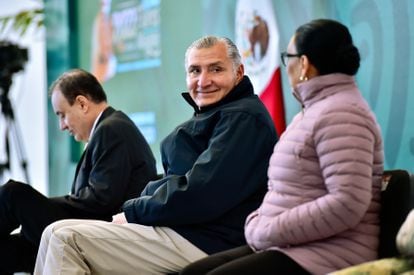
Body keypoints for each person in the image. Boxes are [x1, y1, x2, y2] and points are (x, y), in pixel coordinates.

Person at [34, 35, 278, 274]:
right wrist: (148, 198)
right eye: (195, 71)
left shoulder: (243, 117)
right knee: (53, 232)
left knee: (65, 239)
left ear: (238, 73)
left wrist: (134, 210)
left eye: (215, 69)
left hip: (208, 238)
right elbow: (185, 181)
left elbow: (202, 192)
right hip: (186, 229)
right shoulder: (219, 114)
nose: (203, 81)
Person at [179, 19, 384, 275]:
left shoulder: (343, 113)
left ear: (304, 65)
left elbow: (347, 204)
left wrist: (267, 229)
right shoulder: (314, 112)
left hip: (328, 253)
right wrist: (260, 222)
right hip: (292, 244)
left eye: (288, 57)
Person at [0, 68, 157, 274]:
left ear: (82, 103)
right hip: (90, 227)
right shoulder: (111, 129)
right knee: (7, 250)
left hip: (100, 234)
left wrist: (44, 204)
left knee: (14, 194)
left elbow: (100, 200)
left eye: (62, 115)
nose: (62, 126)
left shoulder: (112, 129)